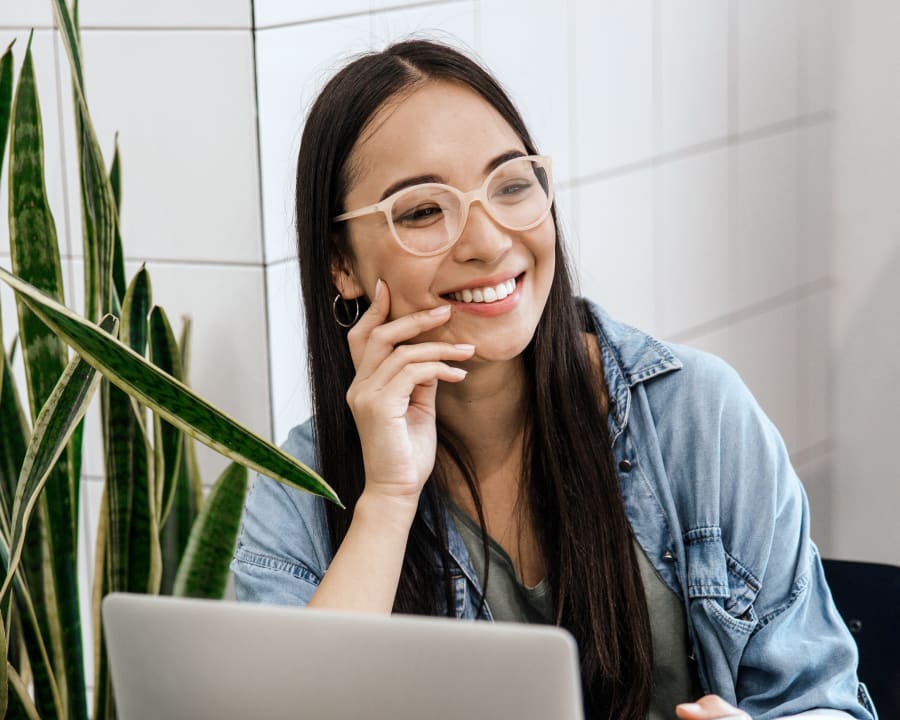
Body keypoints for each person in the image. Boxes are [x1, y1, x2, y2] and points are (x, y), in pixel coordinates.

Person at [230, 40, 877, 720]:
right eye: (423, 210)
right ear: (341, 264)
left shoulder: (697, 417)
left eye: (511, 186)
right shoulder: (295, 495)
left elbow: (824, 702)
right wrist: (388, 498)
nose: (487, 240)